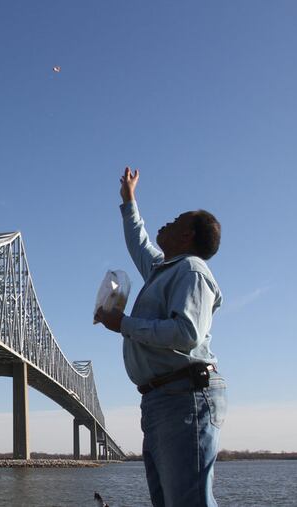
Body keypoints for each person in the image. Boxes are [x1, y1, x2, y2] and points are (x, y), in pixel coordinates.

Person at [95, 167, 227, 507]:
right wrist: (129, 201)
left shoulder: (192, 271)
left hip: (185, 397)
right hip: (160, 400)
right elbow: (139, 241)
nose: (166, 223)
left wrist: (122, 324)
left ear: (188, 236)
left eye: (176, 221)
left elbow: (186, 333)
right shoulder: (162, 270)